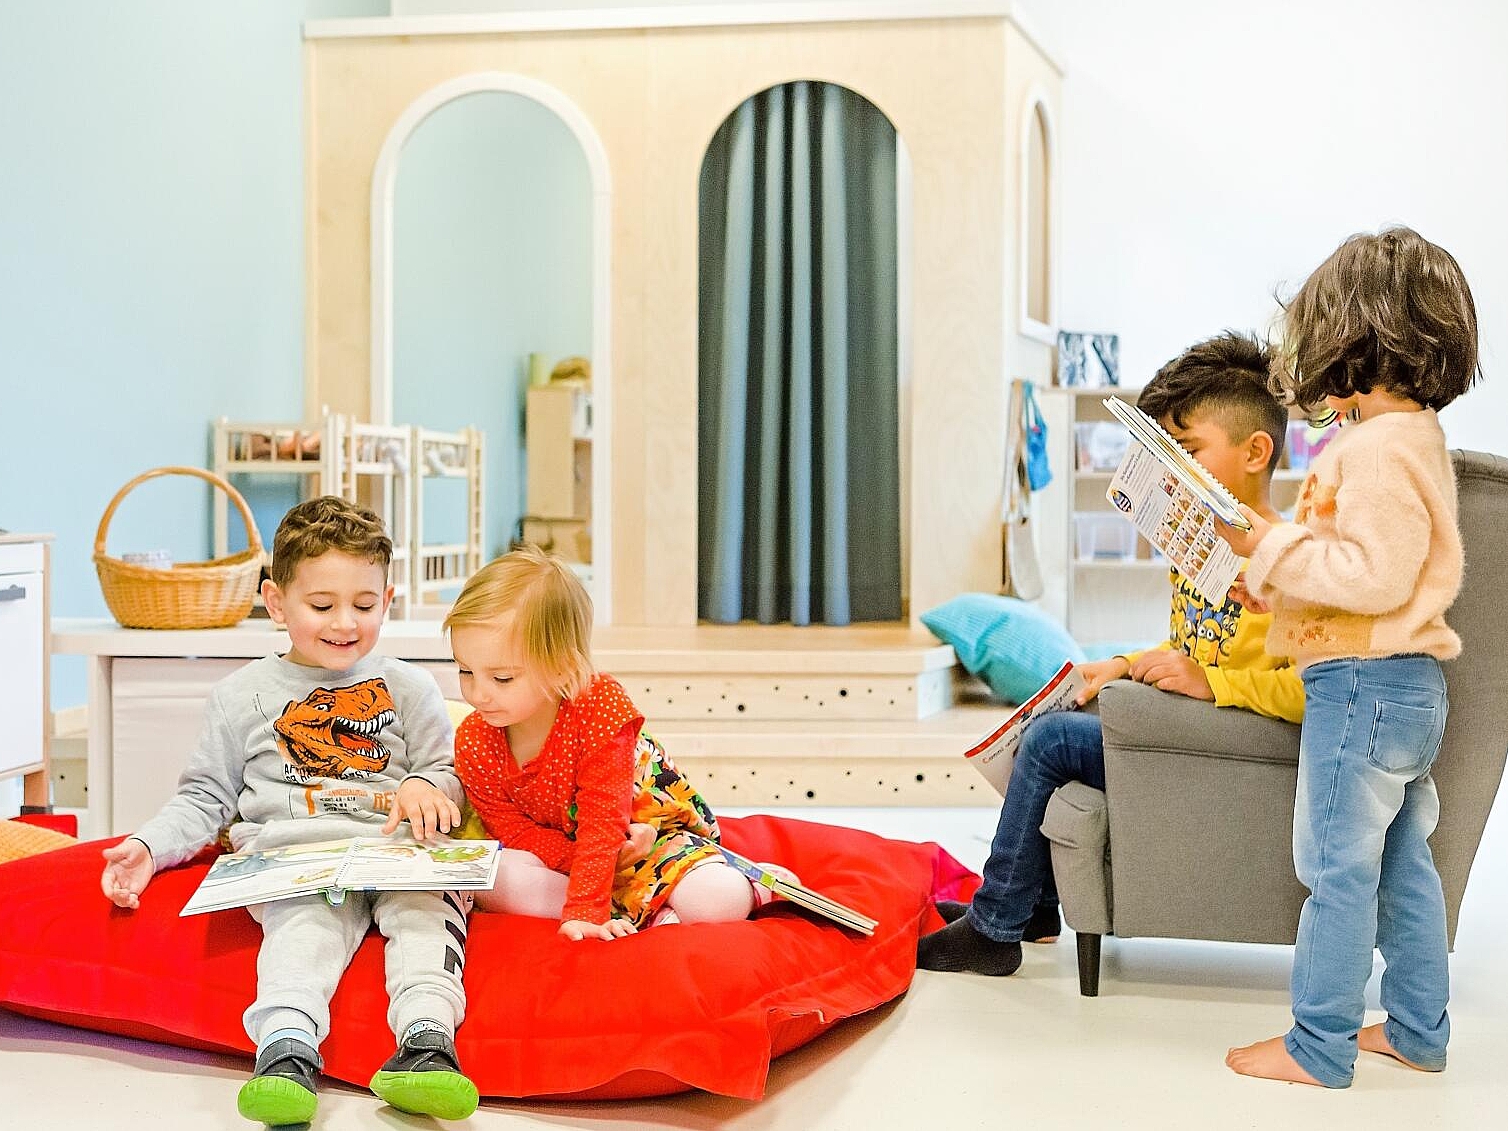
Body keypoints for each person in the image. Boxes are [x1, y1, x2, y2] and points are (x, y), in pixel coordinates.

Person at [918, 331, 1305, 975]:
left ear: (1255, 451)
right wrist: (1126, 665)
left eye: (1187, 451)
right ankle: (1030, 907)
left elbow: (1312, 691)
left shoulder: (1291, 563)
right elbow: (1198, 645)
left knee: (1052, 743)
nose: (1174, 469)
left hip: (1229, 745)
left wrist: (1213, 684)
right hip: (1193, 728)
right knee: (1063, 716)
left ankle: (994, 930)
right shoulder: (1202, 548)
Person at [99, 497, 479, 1125]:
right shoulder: (240, 696)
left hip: (397, 853)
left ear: (388, 600)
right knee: (301, 936)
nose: (345, 623)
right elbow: (205, 797)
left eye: (364, 605)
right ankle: (285, 1055)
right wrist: (148, 846)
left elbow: (450, 774)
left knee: (425, 920)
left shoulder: (411, 687)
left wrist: (426, 784)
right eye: (322, 606)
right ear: (276, 603)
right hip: (297, 863)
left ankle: (428, 1045)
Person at [1219, 226, 1479, 1088]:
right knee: (1401, 864)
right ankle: (1418, 1029)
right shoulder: (1411, 437)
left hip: (1363, 688)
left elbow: (1372, 575)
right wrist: (1279, 580)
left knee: (1333, 868)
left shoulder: (1373, 448)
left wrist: (1269, 546)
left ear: (1353, 337)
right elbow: (1375, 572)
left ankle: (1318, 1043)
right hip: (1402, 686)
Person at [445, 545, 790, 939]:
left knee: (716, 900)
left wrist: (585, 911)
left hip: (648, 841)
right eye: (465, 671)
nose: (478, 694)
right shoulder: (473, 739)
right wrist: (577, 868)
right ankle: (650, 916)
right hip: (568, 857)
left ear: (562, 666)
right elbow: (513, 830)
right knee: (491, 878)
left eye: (502, 678)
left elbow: (604, 820)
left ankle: (753, 886)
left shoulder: (599, 705)